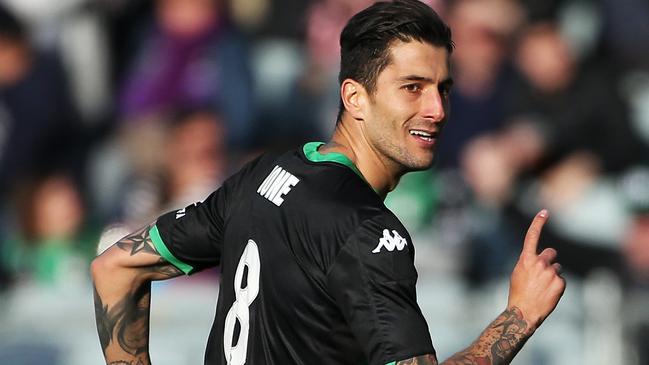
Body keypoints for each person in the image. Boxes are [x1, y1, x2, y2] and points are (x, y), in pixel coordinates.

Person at [91, 1, 565, 364]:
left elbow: (116, 268)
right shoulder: (368, 232)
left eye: (443, 89)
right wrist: (518, 316)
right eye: (412, 88)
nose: (437, 110)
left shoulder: (264, 174)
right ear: (354, 97)